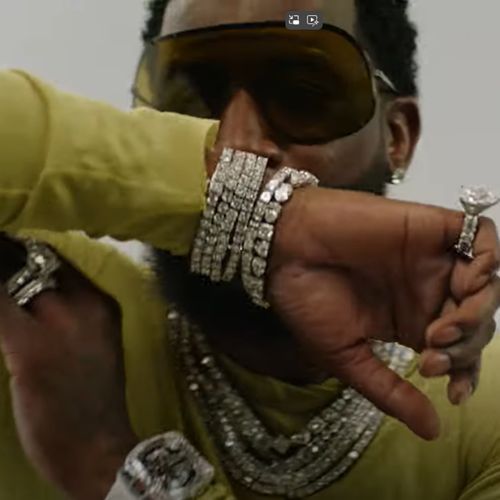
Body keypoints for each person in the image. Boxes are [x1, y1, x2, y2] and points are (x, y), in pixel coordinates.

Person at [0, 0, 500, 499]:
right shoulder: (45, 308)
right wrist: (243, 206)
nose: (237, 145)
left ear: (397, 137)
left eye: (302, 96)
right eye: (188, 98)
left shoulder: (482, 420)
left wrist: (108, 464)